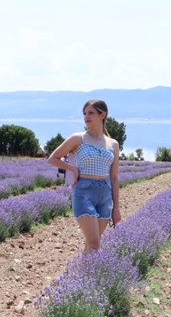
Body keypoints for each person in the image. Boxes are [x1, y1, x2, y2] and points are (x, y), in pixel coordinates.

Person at [47, 99, 122, 253]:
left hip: (105, 195)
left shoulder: (113, 144)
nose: (86, 117)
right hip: (84, 192)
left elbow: (114, 178)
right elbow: (52, 159)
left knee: (91, 244)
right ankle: (87, 275)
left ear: (102, 115)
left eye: (91, 113)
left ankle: (82, 274)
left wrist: (117, 208)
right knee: (95, 244)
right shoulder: (78, 138)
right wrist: (72, 169)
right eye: (85, 113)